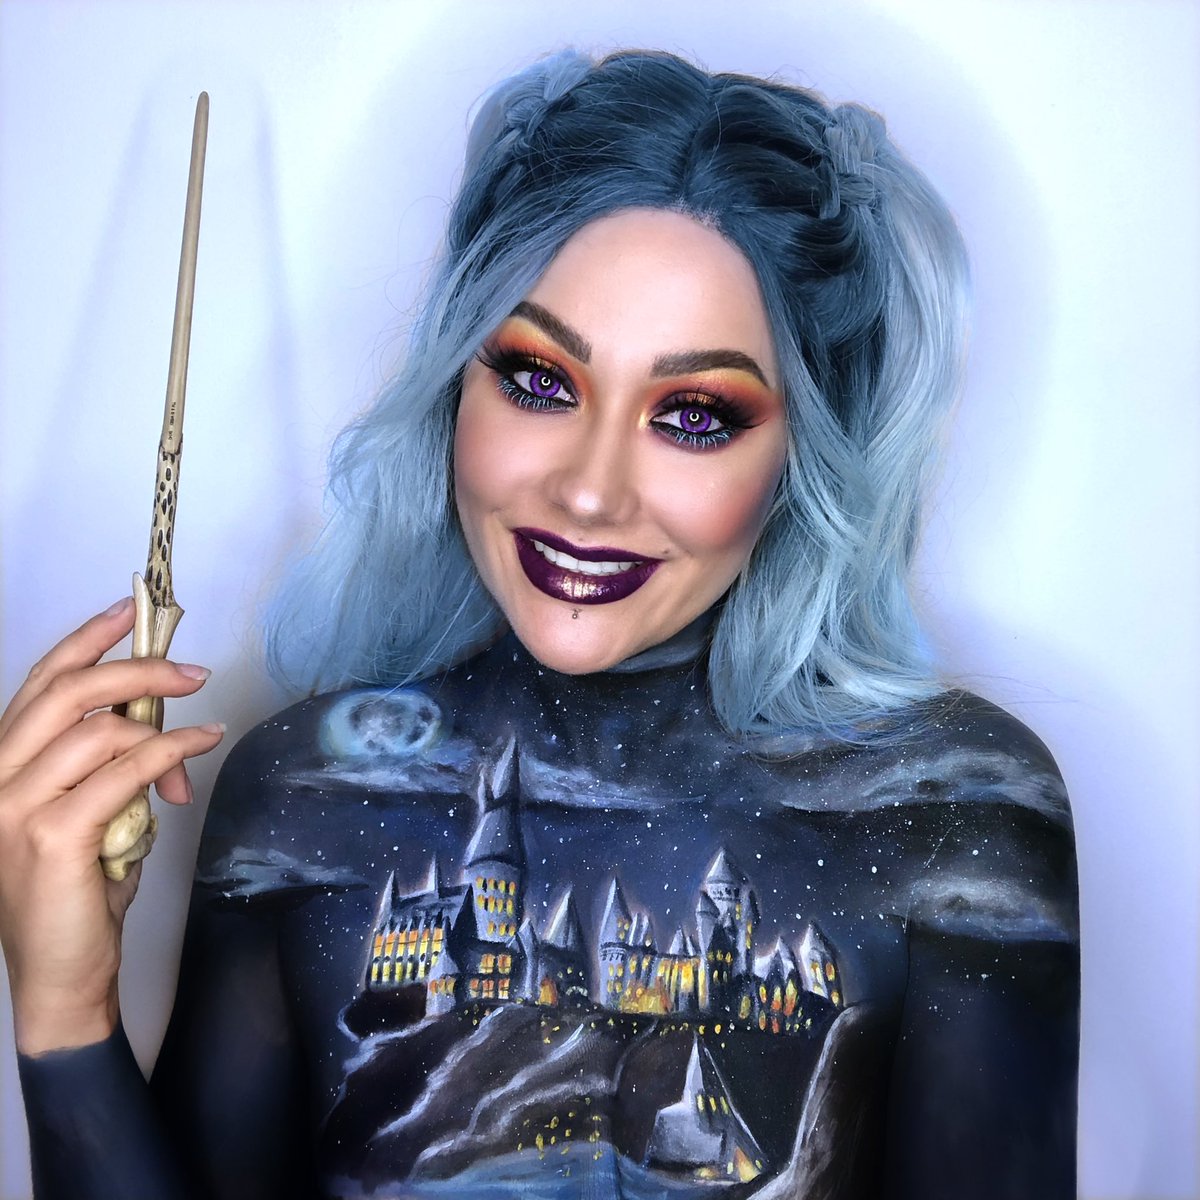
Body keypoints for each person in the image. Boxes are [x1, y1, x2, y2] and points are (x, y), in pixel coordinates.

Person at [0, 49, 1078, 1199]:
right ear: (454, 388)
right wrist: (64, 1009)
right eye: (540, 381)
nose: (590, 493)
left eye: (695, 416)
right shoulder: (303, 794)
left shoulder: (960, 817)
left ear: (802, 459)